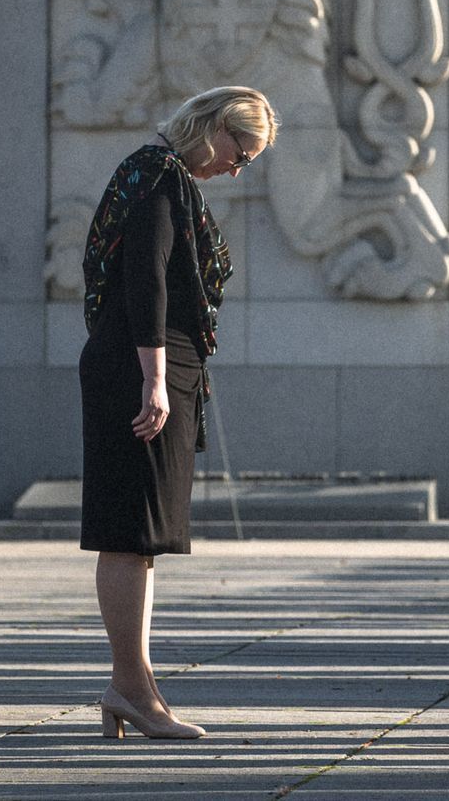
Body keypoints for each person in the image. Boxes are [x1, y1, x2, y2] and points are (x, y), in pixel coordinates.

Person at [79, 86, 276, 740]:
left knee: (143, 541)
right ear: (213, 125)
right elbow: (148, 278)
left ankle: (131, 686)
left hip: (147, 371)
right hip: (139, 373)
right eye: (238, 149)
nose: (236, 167)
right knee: (129, 531)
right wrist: (156, 378)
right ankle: (132, 689)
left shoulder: (159, 174)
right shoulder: (159, 175)